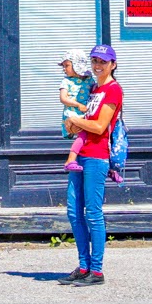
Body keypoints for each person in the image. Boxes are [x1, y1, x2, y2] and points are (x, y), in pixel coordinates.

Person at [62, 44, 122, 287]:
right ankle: (84, 265)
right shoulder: (93, 88)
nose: (98, 65)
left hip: (97, 157)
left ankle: (96, 271)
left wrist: (75, 120)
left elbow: (99, 127)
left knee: (93, 214)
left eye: (103, 62)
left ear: (113, 65)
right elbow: (86, 123)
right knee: (74, 212)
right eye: (95, 61)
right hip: (81, 155)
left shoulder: (113, 90)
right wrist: (73, 126)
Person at [58, 49, 95, 171]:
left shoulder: (89, 80)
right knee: (82, 135)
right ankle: (70, 160)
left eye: (67, 65)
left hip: (87, 114)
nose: (64, 69)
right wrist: (78, 105)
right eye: (63, 66)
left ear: (77, 64)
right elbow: (63, 98)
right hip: (73, 114)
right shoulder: (66, 81)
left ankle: (111, 167)